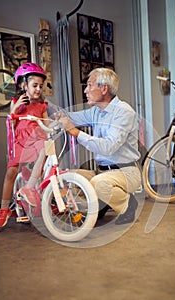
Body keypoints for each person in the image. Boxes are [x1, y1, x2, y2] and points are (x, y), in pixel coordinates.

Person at [57, 68, 141, 225]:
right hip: (102, 171)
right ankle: (103, 202)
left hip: (126, 172)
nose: (85, 90)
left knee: (99, 184)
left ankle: (129, 204)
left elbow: (108, 147)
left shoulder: (124, 112)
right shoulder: (96, 111)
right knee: (67, 178)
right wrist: (51, 112)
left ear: (104, 89)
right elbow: (71, 117)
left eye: (89, 85)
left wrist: (75, 132)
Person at [0, 62, 49, 228]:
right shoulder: (16, 102)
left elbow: (46, 123)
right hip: (20, 142)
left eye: (40, 86)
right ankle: (4, 208)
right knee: (11, 172)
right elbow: (11, 121)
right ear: (23, 85)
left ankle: (32, 187)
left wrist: (55, 123)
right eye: (34, 85)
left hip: (36, 139)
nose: (38, 89)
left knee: (46, 151)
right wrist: (16, 107)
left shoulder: (42, 106)